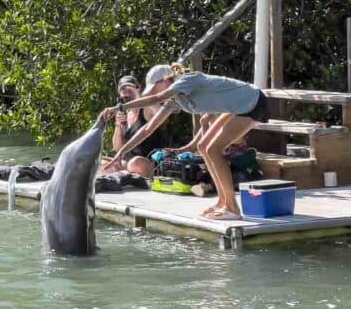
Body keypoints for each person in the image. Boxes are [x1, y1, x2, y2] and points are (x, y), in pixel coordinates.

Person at [101, 63, 270, 220]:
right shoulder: (175, 100)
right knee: (203, 147)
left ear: (167, 80)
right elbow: (147, 129)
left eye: (155, 88)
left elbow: (157, 97)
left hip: (252, 102)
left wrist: (118, 108)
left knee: (213, 150)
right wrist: (122, 151)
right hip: (236, 105)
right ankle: (223, 202)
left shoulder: (187, 80)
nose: (153, 93)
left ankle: (233, 209)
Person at [100, 75, 161, 177]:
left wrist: (145, 96)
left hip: (146, 162)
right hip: (127, 163)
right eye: (124, 94)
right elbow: (117, 147)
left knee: (135, 163)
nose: (127, 95)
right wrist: (118, 125)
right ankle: (127, 175)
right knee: (101, 162)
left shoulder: (146, 109)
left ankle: (125, 174)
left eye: (130, 91)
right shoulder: (124, 115)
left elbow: (160, 111)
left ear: (138, 89)